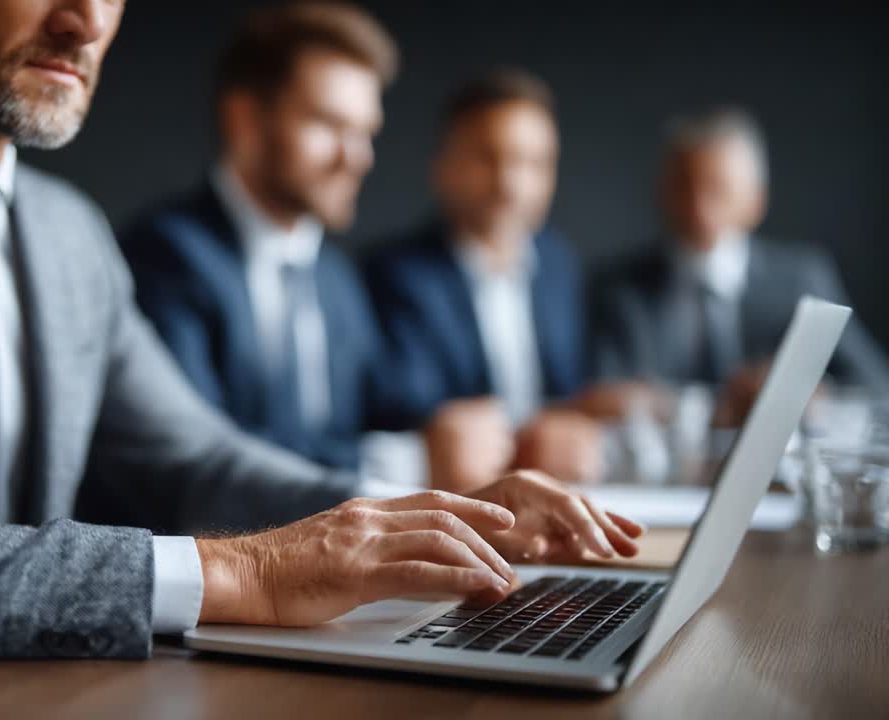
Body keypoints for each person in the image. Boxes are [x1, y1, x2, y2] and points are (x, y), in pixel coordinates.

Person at [0, 1, 641, 712]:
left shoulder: (69, 235)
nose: (86, 21)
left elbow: (199, 462)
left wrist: (435, 524)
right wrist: (245, 571)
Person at [120, 3, 497, 483]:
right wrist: (406, 460)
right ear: (245, 120)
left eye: (365, 133)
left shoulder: (333, 274)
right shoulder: (165, 255)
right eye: (328, 125)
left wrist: (473, 432)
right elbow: (198, 455)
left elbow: (384, 402)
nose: (358, 158)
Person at [365, 69, 635, 488]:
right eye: (488, 158)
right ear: (445, 166)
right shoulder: (394, 276)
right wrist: (527, 440)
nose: (511, 183)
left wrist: (589, 414)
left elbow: (572, 388)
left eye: (533, 163)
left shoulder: (559, 267)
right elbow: (416, 411)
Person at [591, 108, 889, 425]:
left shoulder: (801, 279)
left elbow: (874, 386)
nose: (699, 207)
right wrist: (709, 406)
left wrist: (809, 396)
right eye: (684, 187)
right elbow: (601, 395)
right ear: (660, 192)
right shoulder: (621, 289)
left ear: (756, 199)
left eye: (717, 190)